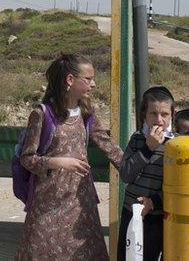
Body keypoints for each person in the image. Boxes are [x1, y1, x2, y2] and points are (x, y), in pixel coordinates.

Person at [15, 53, 124, 261]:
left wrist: (133, 167)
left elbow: (106, 144)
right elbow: (27, 158)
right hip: (49, 201)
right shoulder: (42, 114)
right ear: (70, 80)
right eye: (88, 79)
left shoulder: (87, 112)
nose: (93, 84)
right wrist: (58, 162)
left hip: (81, 199)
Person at [118, 86, 174, 261]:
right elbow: (126, 174)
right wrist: (148, 148)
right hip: (131, 213)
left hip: (158, 217)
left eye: (164, 114)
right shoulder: (137, 139)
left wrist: (154, 202)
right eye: (153, 114)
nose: (159, 120)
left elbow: (177, 185)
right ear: (144, 115)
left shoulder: (176, 145)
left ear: (172, 114)